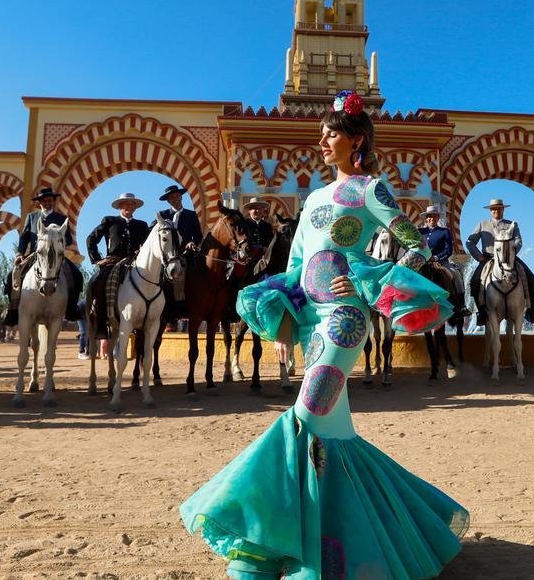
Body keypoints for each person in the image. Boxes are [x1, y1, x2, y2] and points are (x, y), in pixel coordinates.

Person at [180, 90, 467, 578]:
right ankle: (357, 539)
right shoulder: (313, 198)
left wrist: (363, 277)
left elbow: (415, 244)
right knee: (333, 432)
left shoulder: (368, 190)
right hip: (311, 320)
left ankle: (268, 546)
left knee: (306, 415)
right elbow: (295, 266)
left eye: (332, 132)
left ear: (355, 140)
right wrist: (283, 324)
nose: (323, 140)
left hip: (345, 318)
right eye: (321, 133)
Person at [3, 187, 84, 325]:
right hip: (36, 254)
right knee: (12, 275)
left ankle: (71, 308)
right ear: (39, 203)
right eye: (44, 201)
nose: (47, 203)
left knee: (76, 275)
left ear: (53, 201)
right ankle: (13, 309)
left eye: (49, 200)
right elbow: (24, 237)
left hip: (56, 257)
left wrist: (59, 239)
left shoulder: (61, 218)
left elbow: (68, 240)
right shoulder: (32, 217)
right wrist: (19, 253)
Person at [85, 192, 150, 340]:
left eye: (132, 204)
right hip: (114, 261)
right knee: (99, 282)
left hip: (136, 262)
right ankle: (100, 324)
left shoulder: (142, 225)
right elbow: (91, 239)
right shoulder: (110, 220)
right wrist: (97, 259)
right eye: (126, 203)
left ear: (135, 207)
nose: (129, 206)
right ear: (120, 206)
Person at [466, 198, 534, 326]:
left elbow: (519, 241)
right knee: (474, 281)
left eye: (498, 208)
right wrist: (478, 256)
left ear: (503, 209)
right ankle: (481, 311)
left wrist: (511, 251)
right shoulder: (482, 225)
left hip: (508, 258)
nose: (496, 211)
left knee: (529, 276)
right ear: (490, 211)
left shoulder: (511, 224)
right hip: (488, 258)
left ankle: (531, 309)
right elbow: (469, 242)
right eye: (493, 209)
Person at [154, 184, 203, 306]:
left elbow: (198, 235)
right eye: (171, 197)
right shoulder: (163, 215)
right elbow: (152, 231)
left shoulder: (191, 215)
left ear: (181, 197)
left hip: (187, 253)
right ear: (168, 200)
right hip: (168, 254)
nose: (174, 199)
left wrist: (193, 242)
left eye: (176, 196)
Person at [418, 205, 469, 318]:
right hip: (422, 263)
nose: (432, 219)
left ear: (438, 218)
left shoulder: (444, 232)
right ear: (426, 218)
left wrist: (436, 258)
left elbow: (448, 250)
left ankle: (461, 305)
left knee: (456, 275)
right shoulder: (420, 232)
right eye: (430, 216)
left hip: (441, 262)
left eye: (435, 216)